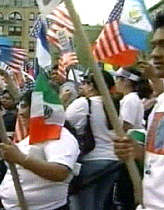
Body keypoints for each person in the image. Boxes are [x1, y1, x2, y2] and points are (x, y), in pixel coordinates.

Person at [0, 88, 80, 210]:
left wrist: (21, 159)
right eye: (20, 106)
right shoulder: (29, 139)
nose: (21, 112)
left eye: (25, 106)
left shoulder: (61, 136)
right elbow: (14, 174)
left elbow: (61, 172)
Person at [114, 11, 164, 210]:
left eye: (163, 45)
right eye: (154, 45)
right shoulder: (160, 103)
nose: (155, 54)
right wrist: (138, 152)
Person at [66, 71, 121, 210]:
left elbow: (62, 123)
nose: (82, 86)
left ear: (92, 86)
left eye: (85, 83)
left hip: (91, 161)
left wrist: (62, 100)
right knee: (98, 204)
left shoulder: (83, 103)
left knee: (83, 205)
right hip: (113, 161)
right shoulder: (115, 104)